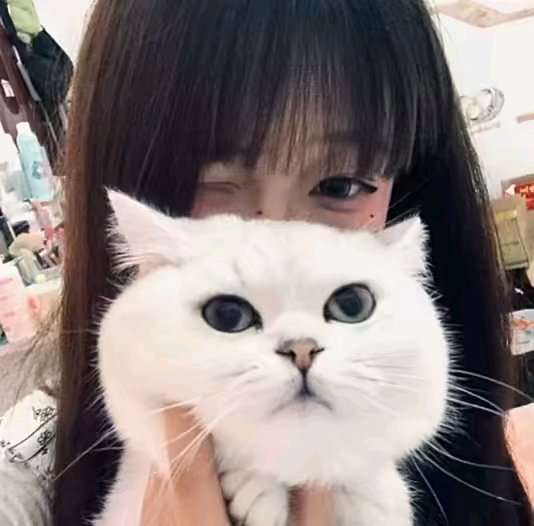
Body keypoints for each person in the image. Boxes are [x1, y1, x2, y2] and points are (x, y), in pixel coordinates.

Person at [0, 0, 532, 525]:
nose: (278, 229)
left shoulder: (462, 430)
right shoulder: (29, 465)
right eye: (206, 180)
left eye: (341, 184)